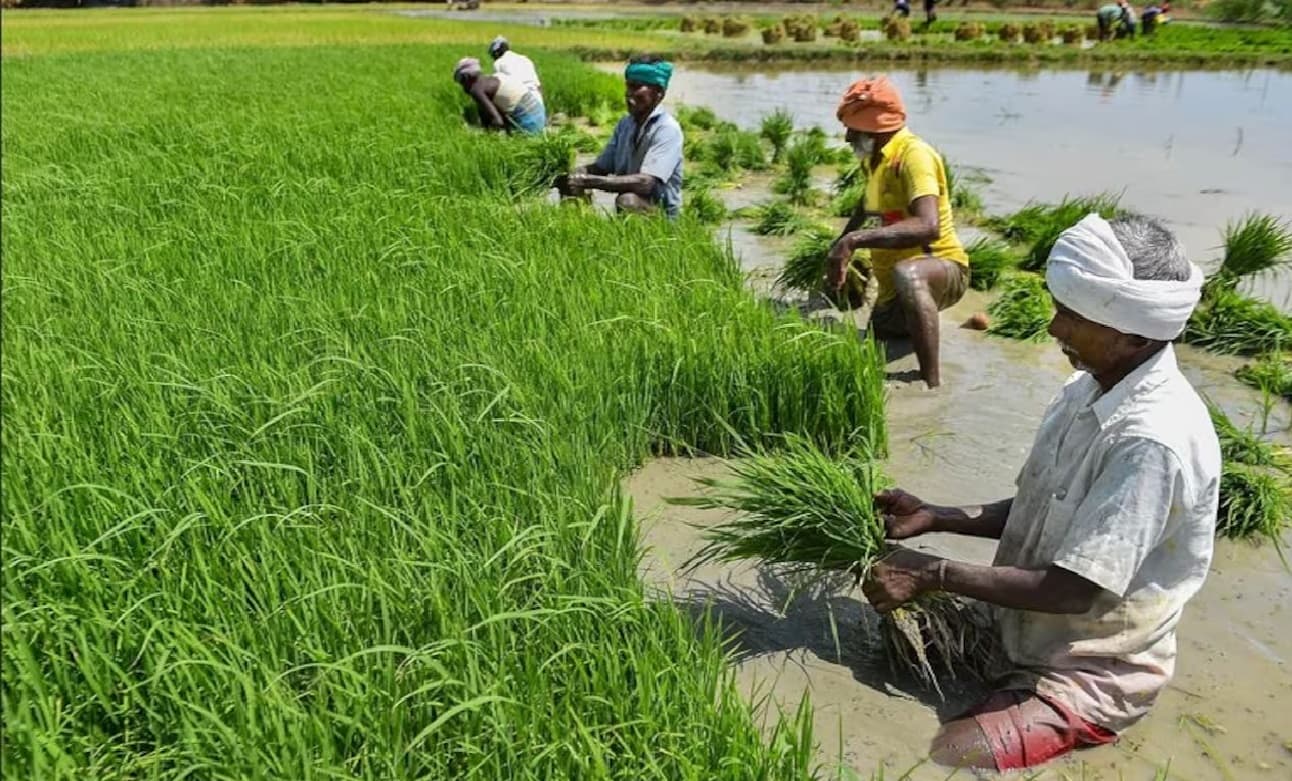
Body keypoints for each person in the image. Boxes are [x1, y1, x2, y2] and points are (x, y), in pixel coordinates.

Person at [862, 214, 1219, 771]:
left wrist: (931, 573)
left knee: (953, 756)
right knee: (874, 624)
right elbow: (1038, 509)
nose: (1054, 330)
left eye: (1072, 317)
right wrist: (935, 517)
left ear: (1132, 333)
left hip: (1088, 666)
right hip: (1011, 626)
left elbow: (1075, 590)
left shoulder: (1153, 441)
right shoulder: (1085, 389)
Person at [828, 75, 969, 389]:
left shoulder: (913, 156)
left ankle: (930, 383)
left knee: (909, 275)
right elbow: (866, 206)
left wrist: (855, 240)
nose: (848, 137)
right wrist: (837, 248)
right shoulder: (875, 160)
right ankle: (938, 323)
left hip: (944, 269)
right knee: (881, 335)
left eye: (853, 129)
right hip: (893, 285)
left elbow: (928, 226)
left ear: (875, 128)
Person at [555, 55, 684, 219]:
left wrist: (589, 181)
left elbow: (646, 184)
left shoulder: (667, 129)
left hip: (661, 213)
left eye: (637, 88)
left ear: (659, 93)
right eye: (628, 87)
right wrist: (577, 173)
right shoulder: (626, 124)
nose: (629, 95)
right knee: (570, 182)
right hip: (635, 203)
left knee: (627, 201)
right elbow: (602, 167)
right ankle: (578, 227)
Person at [453, 57, 545, 135]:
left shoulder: (477, 89)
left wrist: (485, 134)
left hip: (529, 126)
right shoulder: (494, 78)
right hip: (539, 117)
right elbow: (486, 112)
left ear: (466, 77)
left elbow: (497, 121)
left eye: (460, 81)